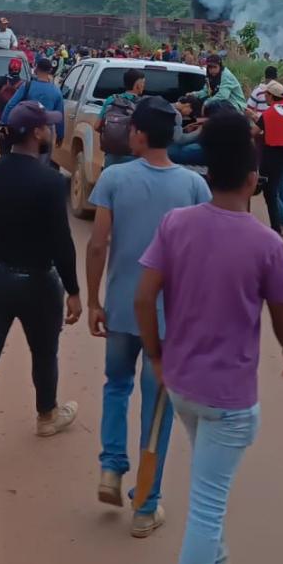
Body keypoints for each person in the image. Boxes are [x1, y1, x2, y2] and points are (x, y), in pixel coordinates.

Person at [134, 111, 283, 564]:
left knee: (209, 488)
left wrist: (156, 355)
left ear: (207, 174)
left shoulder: (175, 224)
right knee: (207, 505)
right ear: (253, 181)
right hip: (229, 399)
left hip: (183, 387)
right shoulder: (266, 243)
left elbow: (144, 298)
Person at [85, 96, 210, 535]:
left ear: (138, 134)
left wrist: (94, 300)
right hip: (169, 318)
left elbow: (98, 243)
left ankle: (110, 468)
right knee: (158, 409)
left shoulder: (115, 178)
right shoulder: (194, 188)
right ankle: (145, 506)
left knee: (116, 386)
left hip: (121, 306)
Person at [0, 100, 81, 476]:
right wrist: (73, 290)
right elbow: (62, 242)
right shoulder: (50, 182)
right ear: (39, 133)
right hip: (37, 281)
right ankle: (47, 416)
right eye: (48, 126)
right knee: (44, 353)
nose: (52, 131)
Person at [252, 81, 283, 237]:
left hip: (270, 158)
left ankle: (276, 227)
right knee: (279, 189)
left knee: (269, 192)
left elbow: (253, 132)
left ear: (271, 96)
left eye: (266, 94)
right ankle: (281, 224)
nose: (265, 97)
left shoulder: (268, 114)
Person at [1, 55, 65, 159]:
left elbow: (11, 104)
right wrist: (60, 134)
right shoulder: (56, 91)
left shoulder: (27, 86)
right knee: (43, 163)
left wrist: (4, 122)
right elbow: (60, 115)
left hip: (26, 127)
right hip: (46, 130)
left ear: (36, 69)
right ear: (50, 71)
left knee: (21, 158)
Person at [95, 67, 146, 168]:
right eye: (143, 83)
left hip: (111, 156)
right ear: (138, 85)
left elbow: (97, 126)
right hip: (134, 157)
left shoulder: (111, 99)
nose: (144, 86)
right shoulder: (143, 104)